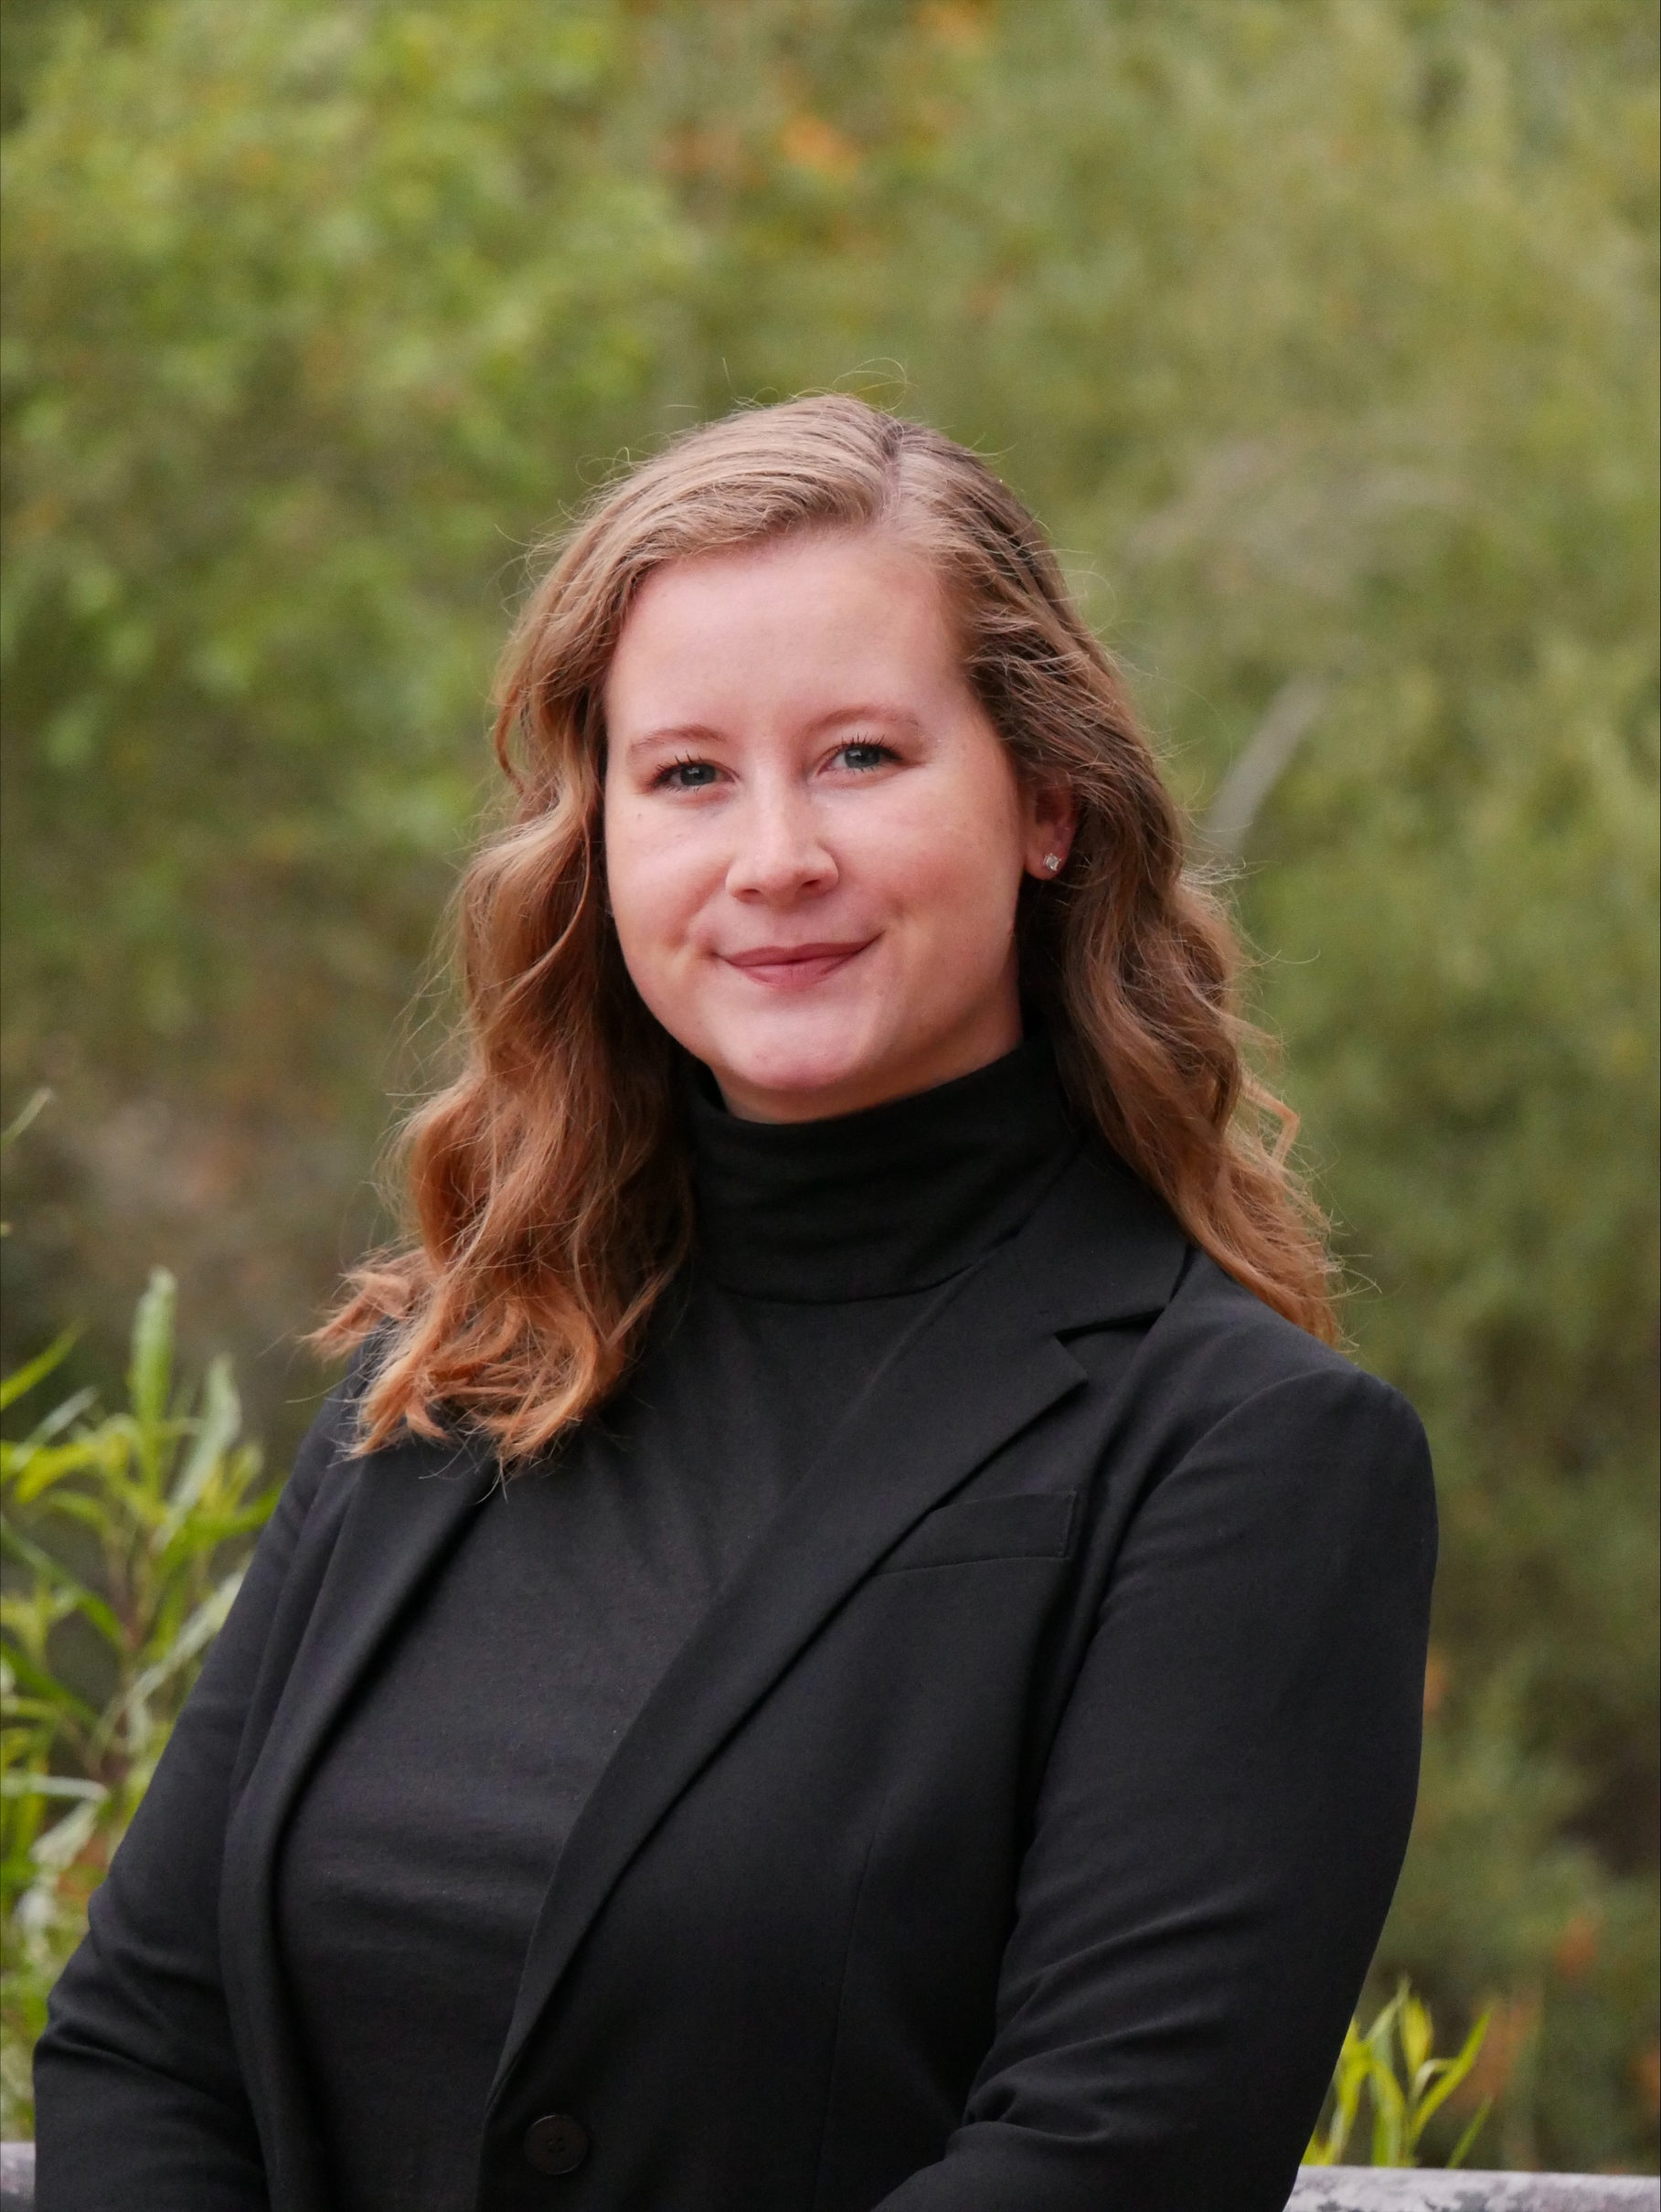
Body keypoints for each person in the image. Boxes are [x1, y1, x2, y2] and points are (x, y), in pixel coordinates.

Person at [34, 397, 1436, 2212]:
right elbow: (148, 2041)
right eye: (688, 774)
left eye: (859, 755)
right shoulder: (441, 1387)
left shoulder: (1244, 1461)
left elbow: (1109, 2162)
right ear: (601, 841)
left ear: (1047, 802)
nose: (773, 854)